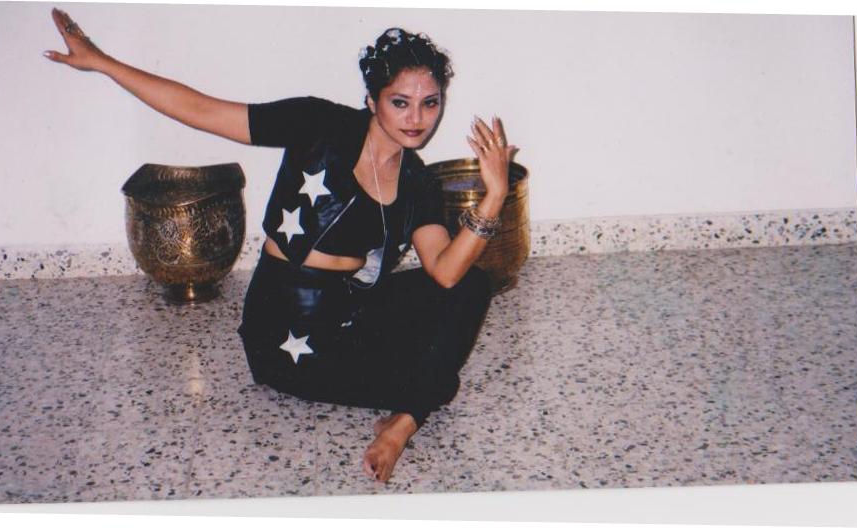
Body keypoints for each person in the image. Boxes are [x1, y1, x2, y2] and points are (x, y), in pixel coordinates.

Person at [45, 7, 517, 483]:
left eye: (430, 103)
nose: (416, 119)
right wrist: (102, 62)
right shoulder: (318, 125)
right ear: (372, 100)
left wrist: (495, 195)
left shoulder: (417, 182)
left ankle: (403, 421)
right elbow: (201, 110)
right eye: (400, 102)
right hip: (285, 339)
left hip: (350, 314)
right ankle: (409, 415)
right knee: (435, 376)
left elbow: (446, 272)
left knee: (473, 284)